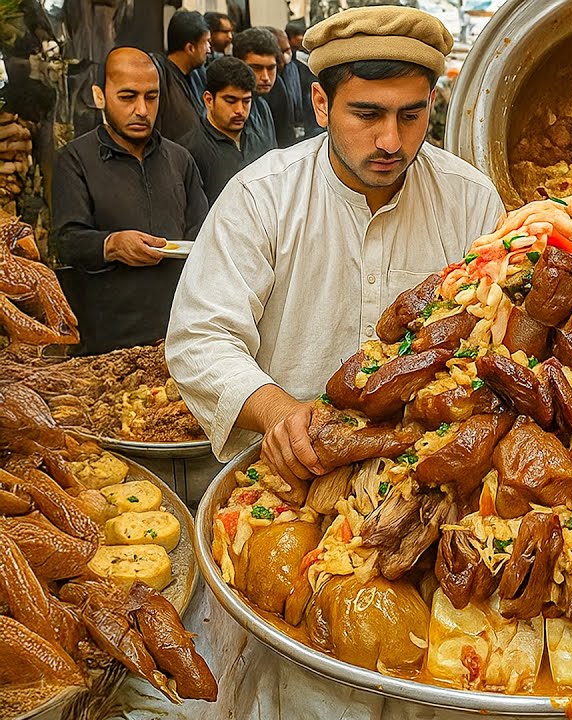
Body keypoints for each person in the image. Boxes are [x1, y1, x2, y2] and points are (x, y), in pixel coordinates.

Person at [167, 7, 504, 486]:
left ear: (433, 101)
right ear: (321, 104)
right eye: (367, 114)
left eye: (411, 115)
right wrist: (275, 411)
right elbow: (200, 338)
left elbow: (498, 340)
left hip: (436, 481)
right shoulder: (262, 197)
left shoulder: (471, 199)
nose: (391, 140)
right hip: (285, 478)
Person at [54, 46, 208, 356]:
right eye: (127, 97)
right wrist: (111, 245)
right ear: (100, 97)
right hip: (106, 340)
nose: (141, 109)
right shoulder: (75, 159)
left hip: (176, 334)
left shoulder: (180, 160)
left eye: (151, 97)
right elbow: (66, 241)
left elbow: (203, 237)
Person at [183, 56, 272, 204]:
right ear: (209, 100)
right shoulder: (191, 150)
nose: (240, 110)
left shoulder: (260, 136)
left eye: (246, 101)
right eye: (230, 101)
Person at [153, 10, 210, 143]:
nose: (209, 49)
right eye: (206, 42)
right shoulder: (161, 78)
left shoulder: (199, 74)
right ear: (190, 48)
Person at [230, 27, 280, 157]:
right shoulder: (225, 110)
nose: (265, 77)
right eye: (256, 68)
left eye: (270, 68)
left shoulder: (263, 107)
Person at [265, 26, 307, 147]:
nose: (285, 57)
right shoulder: (268, 84)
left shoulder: (296, 70)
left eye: (287, 50)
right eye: (280, 52)